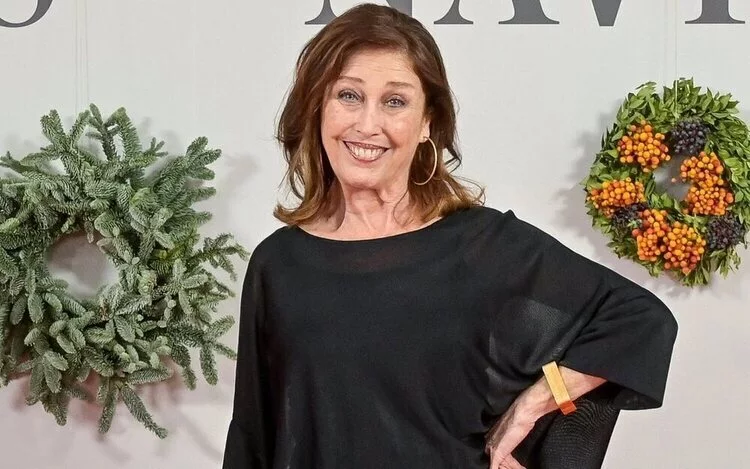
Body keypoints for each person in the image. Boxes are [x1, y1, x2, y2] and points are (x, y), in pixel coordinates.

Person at [222, 4, 678, 469]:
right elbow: (252, 439)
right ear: (318, 107)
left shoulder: (483, 246)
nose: (367, 124)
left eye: (395, 102)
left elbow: (640, 320)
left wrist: (539, 399)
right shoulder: (278, 265)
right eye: (348, 95)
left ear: (427, 123)